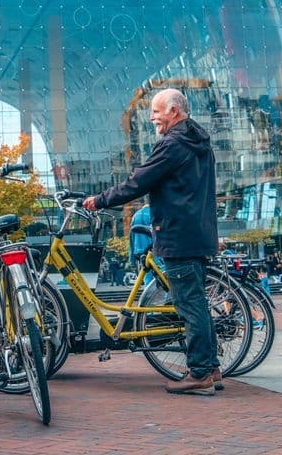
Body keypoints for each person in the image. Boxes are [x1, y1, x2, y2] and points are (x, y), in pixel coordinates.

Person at [83, 88, 219, 396]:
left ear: (173, 111)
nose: (152, 117)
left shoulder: (173, 144)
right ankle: (211, 367)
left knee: (189, 306)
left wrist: (100, 200)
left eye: (156, 111)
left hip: (178, 235)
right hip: (198, 232)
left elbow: (138, 181)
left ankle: (199, 373)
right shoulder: (199, 141)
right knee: (197, 303)